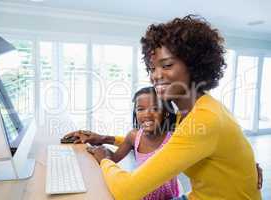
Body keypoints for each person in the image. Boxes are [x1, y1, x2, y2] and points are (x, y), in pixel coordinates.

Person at [63, 15, 262, 200]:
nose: (155, 75)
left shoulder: (204, 118)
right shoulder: (190, 111)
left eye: (166, 65)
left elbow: (126, 191)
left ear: (193, 66)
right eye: (152, 68)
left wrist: (104, 158)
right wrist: (105, 138)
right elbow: (159, 142)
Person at [89, 86, 180, 199]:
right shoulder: (134, 136)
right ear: (135, 113)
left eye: (155, 109)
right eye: (140, 109)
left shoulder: (174, 139)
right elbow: (114, 158)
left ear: (166, 112)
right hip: (141, 195)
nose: (147, 114)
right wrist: (102, 151)